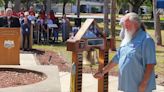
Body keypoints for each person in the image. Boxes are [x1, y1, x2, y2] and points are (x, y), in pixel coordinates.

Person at [94, 12, 156, 92]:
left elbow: (150, 64)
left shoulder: (146, 40)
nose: (125, 28)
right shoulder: (127, 39)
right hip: (127, 85)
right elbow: (117, 58)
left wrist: (144, 83)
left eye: (128, 25)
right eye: (124, 25)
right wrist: (103, 72)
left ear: (136, 25)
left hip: (140, 87)